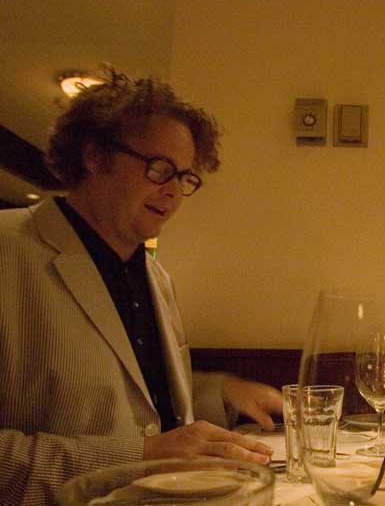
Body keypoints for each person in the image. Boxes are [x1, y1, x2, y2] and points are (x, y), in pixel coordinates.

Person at [0, 69, 282, 505]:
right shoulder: (9, 250)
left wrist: (219, 391)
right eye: (159, 169)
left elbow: (138, 399)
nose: (173, 193)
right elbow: (145, 441)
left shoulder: (154, 277)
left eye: (185, 178)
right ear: (95, 155)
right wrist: (141, 456)